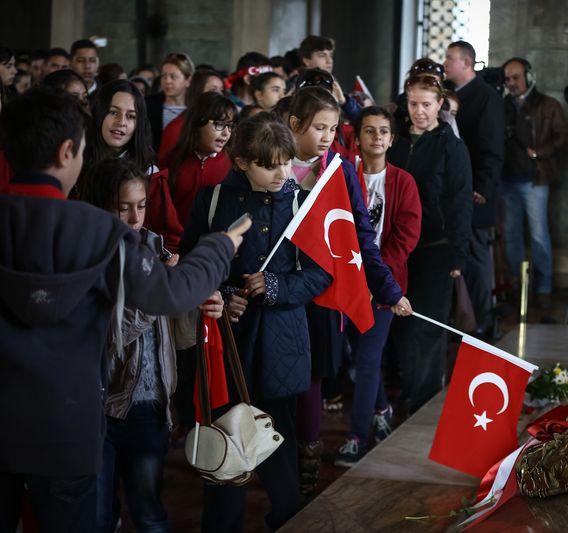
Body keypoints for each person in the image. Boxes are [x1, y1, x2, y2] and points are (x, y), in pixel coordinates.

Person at [0, 87, 248, 532]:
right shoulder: (96, 230)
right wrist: (219, 247)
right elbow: (170, 294)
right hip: (67, 424)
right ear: (67, 150)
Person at [180, 113, 331, 531]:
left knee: (278, 437)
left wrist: (277, 286)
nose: (283, 173)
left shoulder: (301, 202)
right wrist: (223, 297)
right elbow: (194, 264)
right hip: (225, 340)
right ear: (242, 161)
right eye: (270, 164)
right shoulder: (213, 200)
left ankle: (287, 518)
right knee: (227, 438)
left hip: (281, 340)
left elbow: (321, 272)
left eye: (287, 161)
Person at [287, 86, 411, 493]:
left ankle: (308, 456)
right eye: (318, 127)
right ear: (293, 124)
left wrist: (388, 289)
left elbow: (361, 235)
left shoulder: (337, 169)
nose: (326, 136)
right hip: (274, 290)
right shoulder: (275, 160)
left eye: (331, 127)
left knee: (320, 372)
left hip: (325, 289)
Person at [87, 157, 180, 533]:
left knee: (149, 512)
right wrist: (157, 291)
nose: (134, 216)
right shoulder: (93, 255)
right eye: (122, 207)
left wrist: (201, 297)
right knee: (96, 516)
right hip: (101, 405)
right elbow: (114, 335)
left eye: (140, 206)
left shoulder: (156, 248)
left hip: (149, 403)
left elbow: (180, 332)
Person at [335, 106, 421, 467]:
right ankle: (383, 407)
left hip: (383, 287)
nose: (376, 138)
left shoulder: (403, 181)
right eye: (369, 131)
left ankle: (357, 436)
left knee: (369, 358)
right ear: (357, 138)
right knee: (356, 357)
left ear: (392, 138)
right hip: (345, 284)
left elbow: (406, 235)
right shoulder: (342, 175)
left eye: (383, 132)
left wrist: (377, 279)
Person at [387, 74, 472, 413]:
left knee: (427, 325)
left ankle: (421, 399)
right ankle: (406, 389)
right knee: (400, 323)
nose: (419, 111)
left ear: (439, 105)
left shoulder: (451, 146)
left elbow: (460, 200)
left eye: (426, 104)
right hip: (398, 247)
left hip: (436, 246)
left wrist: (458, 253)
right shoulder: (395, 141)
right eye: (413, 104)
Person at [444, 40, 504, 338]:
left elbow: (492, 147)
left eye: (450, 58)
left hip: (477, 192)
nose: (445, 63)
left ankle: (483, 321)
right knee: (462, 256)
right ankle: (465, 317)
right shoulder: (454, 93)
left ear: (466, 62)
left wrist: (482, 187)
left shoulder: (485, 97)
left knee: (477, 257)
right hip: (458, 189)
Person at [501, 57, 568, 308]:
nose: (512, 83)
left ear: (528, 76)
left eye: (516, 77)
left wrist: (538, 152)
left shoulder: (548, 105)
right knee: (511, 236)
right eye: (508, 78)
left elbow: (562, 137)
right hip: (506, 180)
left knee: (539, 235)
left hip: (535, 179)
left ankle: (543, 289)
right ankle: (515, 288)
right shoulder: (503, 105)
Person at [168, 91, 236, 227]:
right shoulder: (173, 160)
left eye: (229, 126)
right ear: (198, 122)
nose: (226, 132)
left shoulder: (232, 164)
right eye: (219, 124)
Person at [157, 68, 226, 168]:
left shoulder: (225, 126)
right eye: (213, 90)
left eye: (222, 90)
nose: (220, 95)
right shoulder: (177, 128)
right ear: (197, 92)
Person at [298, 35, 361, 121]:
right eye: (322, 55)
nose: (329, 61)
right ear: (306, 60)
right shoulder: (296, 85)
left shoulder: (332, 82)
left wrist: (344, 102)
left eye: (330, 55)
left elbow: (361, 120)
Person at [146, 53, 194, 152]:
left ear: (188, 80)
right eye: (164, 76)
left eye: (173, 76)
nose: (167, 81)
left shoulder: (196, 108)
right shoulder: (148, 105)